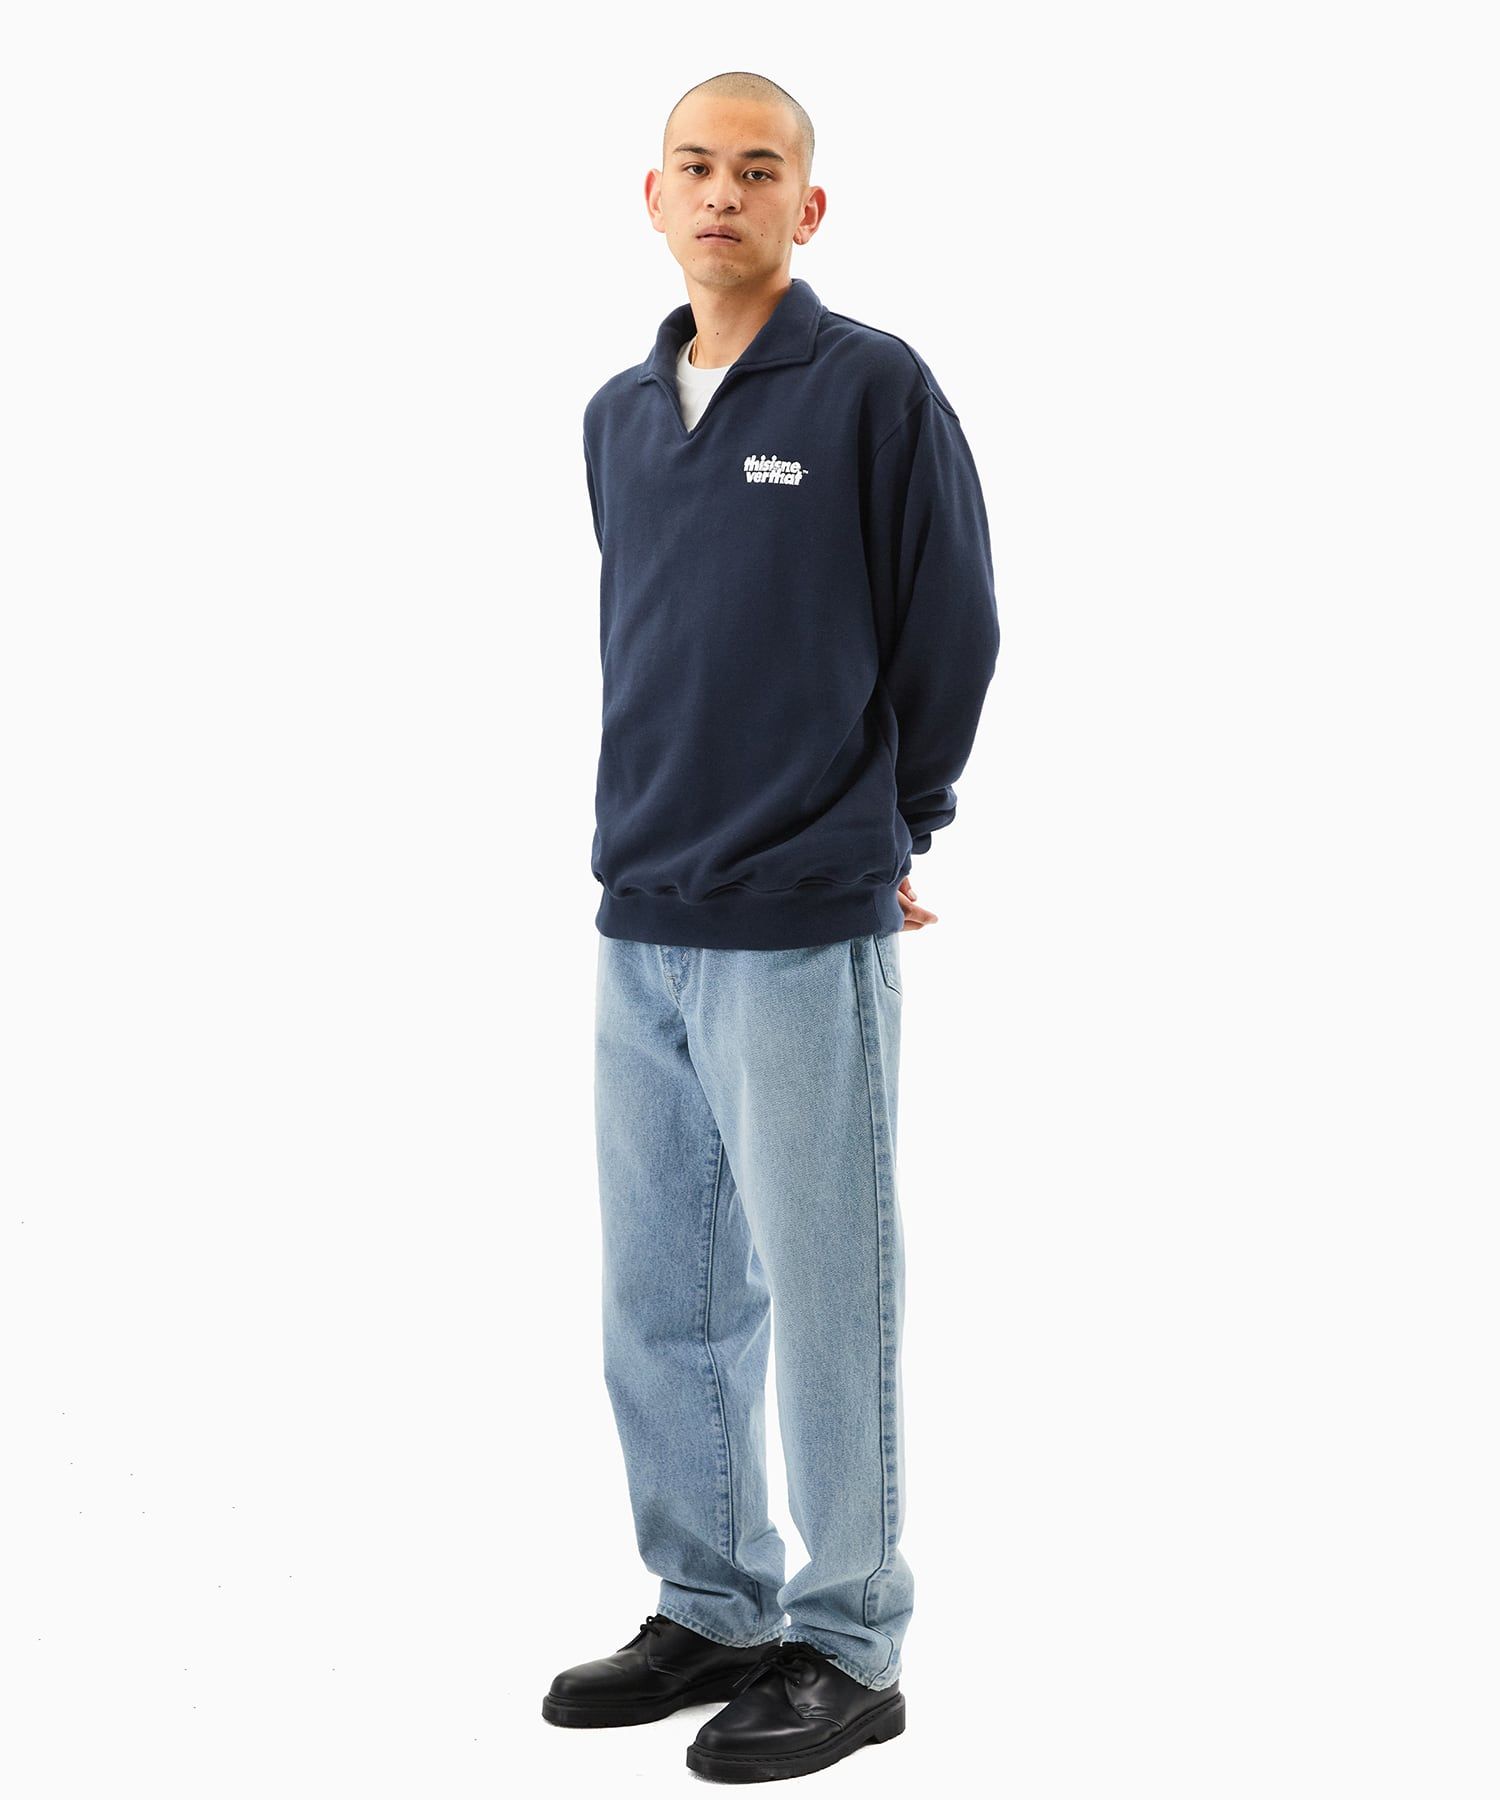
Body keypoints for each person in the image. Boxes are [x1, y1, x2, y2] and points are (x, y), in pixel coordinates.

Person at [542, 70, 1000, 1783]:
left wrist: (899, 824)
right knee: (661, 1299)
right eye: (696, 165)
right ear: (653, 196)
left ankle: (851, 1641)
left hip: (805, 919)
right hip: (641, 913)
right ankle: (712, 1602)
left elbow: (952, 625)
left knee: (827, 1293)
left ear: (806, 208)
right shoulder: (616, 416)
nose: (723, 191)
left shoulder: (874, 388)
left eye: (758, 168)